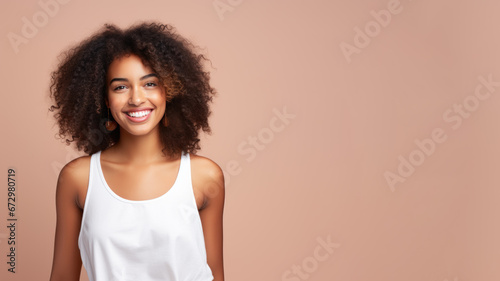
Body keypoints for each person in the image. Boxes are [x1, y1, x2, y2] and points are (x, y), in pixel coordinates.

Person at [48, 22, 225, 281]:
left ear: (170, 91)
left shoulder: (204, 176)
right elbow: (62, 276)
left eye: (150, 84)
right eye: (120, 87)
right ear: (105, 99)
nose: (136, 99)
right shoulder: (78, 178)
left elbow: (215, 274)